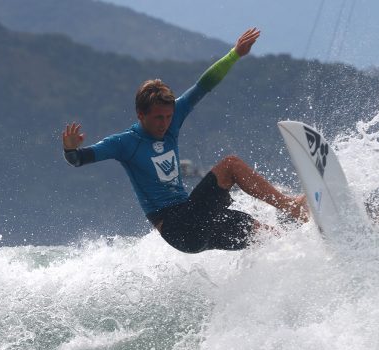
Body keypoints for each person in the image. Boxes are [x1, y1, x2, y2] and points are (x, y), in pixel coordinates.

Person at [62, 28, 307, 253]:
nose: (164, 123)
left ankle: (301, 249)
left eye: (168, 116)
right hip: (177, 226)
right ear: (140, 114)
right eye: (158, 118)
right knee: (230, 165)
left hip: (197, 219)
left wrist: (234, 55)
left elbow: (203, 86)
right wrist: (71, 148)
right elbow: (78, 159)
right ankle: (290, 206)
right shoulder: (124, 143)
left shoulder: (172, 119)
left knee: (265, 235)